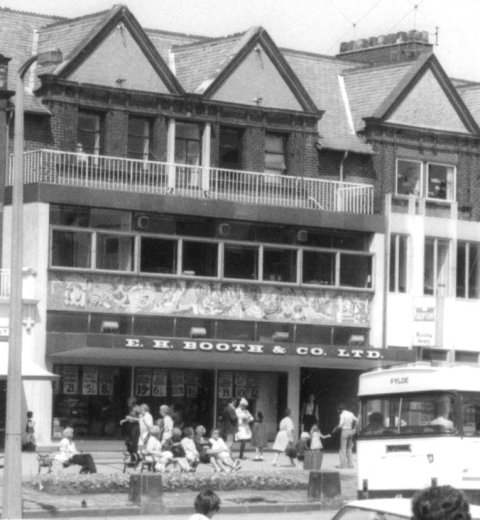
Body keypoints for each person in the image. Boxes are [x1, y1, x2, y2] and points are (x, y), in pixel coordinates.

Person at [332, 402, 357, 469]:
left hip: (345, 431)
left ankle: (343, 465)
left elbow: (341, 425)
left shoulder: (342, 415)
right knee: (349, 449)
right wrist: (354, 429)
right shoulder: (351, 413)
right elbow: (357, 420)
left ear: (340, 409)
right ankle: (351, 464)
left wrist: (335, 429)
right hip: (350, 431)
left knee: (343, 448)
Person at [120, 398, 140, 464]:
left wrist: (130, 418)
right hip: (130, 426)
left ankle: (135, 459)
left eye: (130, 403)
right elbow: (130, 418)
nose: (128, 405)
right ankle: (131, 459)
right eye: (128, 403)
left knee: (134, 443)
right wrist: (124, 420)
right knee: (128, 442)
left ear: (133, 403)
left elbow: (140, 419)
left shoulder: (137, 409)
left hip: (135, 427)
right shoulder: (131, 409)